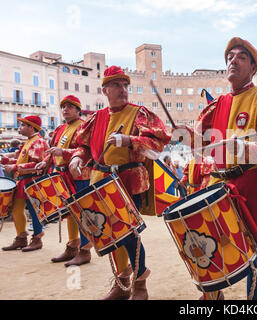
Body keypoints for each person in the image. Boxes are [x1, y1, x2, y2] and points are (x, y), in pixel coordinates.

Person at [177, 37, 257, 300]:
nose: (233, 60)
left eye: (241, 57)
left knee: (253, 256)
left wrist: (245, 149)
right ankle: (213, 296)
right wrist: (185, 136)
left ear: (253, 68)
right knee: (209, 244)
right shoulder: (215, 106)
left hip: (251, 185)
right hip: (217, 187)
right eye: (230, 57)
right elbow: (200, 147)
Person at [68, 66, 171, 300]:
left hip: (127, 179)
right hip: (100, 180)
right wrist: (76, 158)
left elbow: (158, 143)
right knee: (109, 234)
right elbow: (83, 146)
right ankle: (122, 282)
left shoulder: (140, 113)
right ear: (105, 90)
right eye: (116, 85)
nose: (123, 89)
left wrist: (129, 140)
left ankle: (141, 283)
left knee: (128, 234)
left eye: (125, 85)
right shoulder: (97, 118)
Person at [35, 95, 93, 266]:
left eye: (70, 106)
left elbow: (86, 150)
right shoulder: (60, 128)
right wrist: (45, 162)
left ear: (77, 109)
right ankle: (72, 246)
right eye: (63, 107)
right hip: (61, 175)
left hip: (79, 175)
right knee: (70, 213)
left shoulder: (83, 126)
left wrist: (65, 153)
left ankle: (85, 250)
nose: (65, 109)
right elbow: (53, 151)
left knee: (82, 213)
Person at [1, 116, 49, 251]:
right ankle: (21, 237)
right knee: (17, 209)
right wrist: (7, 161)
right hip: (24, 179)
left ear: (31, 127)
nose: (20, 127)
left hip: (32, 180)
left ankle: (37, 238)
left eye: (23, 125)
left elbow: (36, 163)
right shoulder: (29, 142)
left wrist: (15, 168)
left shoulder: (38, 141)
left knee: (33, 210)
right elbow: (21, 161)